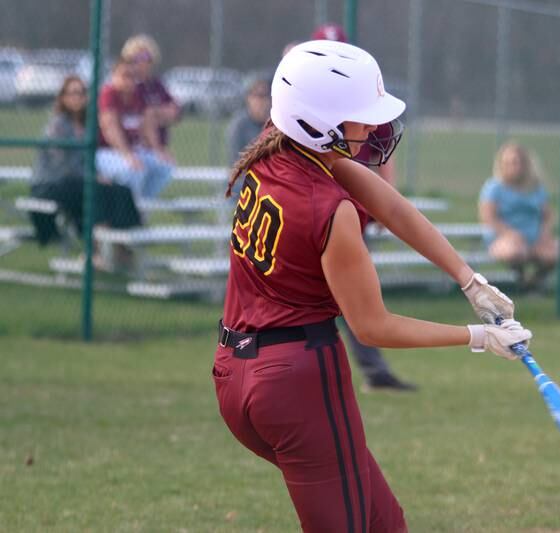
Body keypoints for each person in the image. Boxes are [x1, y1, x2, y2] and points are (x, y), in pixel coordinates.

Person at [213, 40, 531, 532]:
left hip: (236, 373)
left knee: (386, 524)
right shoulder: (329, 209)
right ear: (317, 121)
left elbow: (391, 205)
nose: (372, 127)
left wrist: (469, 279)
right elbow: (373, 326)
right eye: (359, 116)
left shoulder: (280, 146)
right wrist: (476, 336)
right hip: (298, 384)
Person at [308, 23, 417, 392]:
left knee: (355, 301)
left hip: (351, 215)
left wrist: (388, 196)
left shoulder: (363, 101)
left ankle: (372, 371)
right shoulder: (304, 107)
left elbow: (382, 157)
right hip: (314, 216)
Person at [30, 75, 141, 266]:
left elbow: (88, 162)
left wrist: (97, 176)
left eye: (82, 93)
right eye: (73, 93)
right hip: (51, 185)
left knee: (121, 190)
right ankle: (94, 252)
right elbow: (63, 166)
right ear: (63, 97)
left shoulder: (87, 126)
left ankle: (123, 246)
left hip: (78, 181)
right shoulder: (58, 125)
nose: (78, 97)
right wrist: (93, 177)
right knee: (95, 192)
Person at [479, 142, 558, 291]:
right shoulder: (494, 187)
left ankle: (533, 284)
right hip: (503, 237)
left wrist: (544, 233)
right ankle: (520, 282)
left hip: (534, 238)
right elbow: (488, 217)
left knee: (551, 255)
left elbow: (547, 216)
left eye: (518, 162)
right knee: (516, 252)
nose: (515, 167)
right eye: (509, 163)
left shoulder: (535, 187)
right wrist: (509, 233)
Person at [96, 58, 173, 202]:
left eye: (132, 76)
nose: (129, 80)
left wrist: (158, 150)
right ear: (114, 76)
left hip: (132, 151)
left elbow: (147, 124)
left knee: (165, 167)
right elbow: (110, 128)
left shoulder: (137, 95)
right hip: (106, 152)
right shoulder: (109, 93)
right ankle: (127, 211)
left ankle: (142, 206)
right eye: (124, 75)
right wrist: (127, 155)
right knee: (133, 169)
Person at [121, 34, 181, 150]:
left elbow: (175, 111)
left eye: (146, 57)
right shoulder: (130, 86)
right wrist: (159, 114)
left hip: (160, 145)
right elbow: (141, 116)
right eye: (137, 58)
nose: (142, 62)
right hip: (138, 146)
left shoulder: (156, 85)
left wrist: (155, 114)